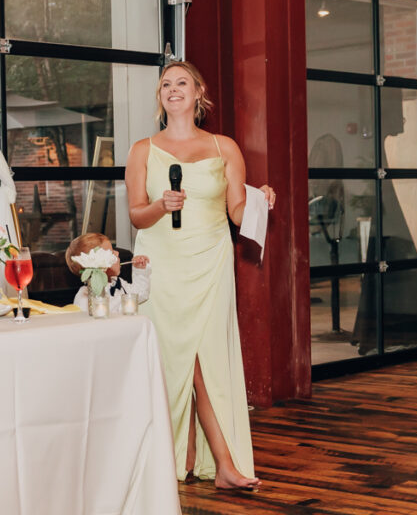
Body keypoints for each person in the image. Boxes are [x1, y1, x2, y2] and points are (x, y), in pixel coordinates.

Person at [126, 61, 275, 490]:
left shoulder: (224, 147)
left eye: (182, 83)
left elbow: (237, 211)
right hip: (160, 264)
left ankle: (220, 463)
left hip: (210, 261)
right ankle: (186, 457)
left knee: (203, 359)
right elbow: (136, 215)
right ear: (161, 97)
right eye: (166, 84)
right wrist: (161, 206)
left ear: (198, 93)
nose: (173, 90)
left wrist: (261, 200)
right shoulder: (142, 151)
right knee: (174, 359)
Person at [64, 233, 151, 311]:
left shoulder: (118, 283)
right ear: (98, 266)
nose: (117, 253)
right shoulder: (85, 297)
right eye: (112, 252)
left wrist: (140, 270)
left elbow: (141, 294)